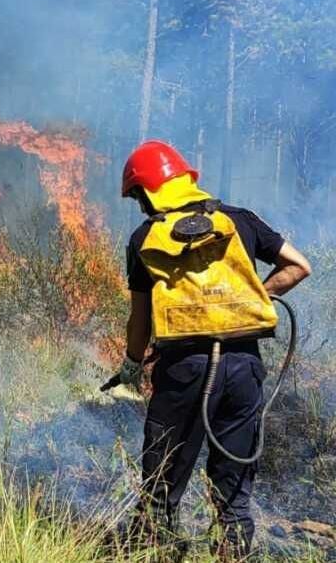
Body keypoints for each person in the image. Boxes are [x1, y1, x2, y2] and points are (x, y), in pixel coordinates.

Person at [117, 141, 311, 559]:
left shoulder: (144, 237)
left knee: (162, 483)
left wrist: (132, 366)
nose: (138, 204)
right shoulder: (238, 219)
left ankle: (152, 551)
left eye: (137, 195)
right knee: (233, 491)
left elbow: (140, 320)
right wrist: (246, 300)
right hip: (243, 367)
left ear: (147, 191)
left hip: (184, 372)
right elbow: (299, 266)